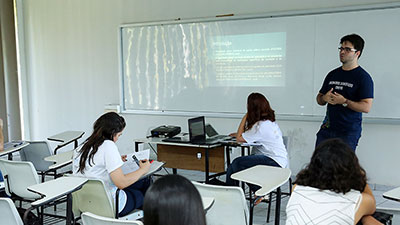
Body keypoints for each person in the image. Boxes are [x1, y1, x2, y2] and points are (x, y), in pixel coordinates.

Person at [286, 138, 382, 225]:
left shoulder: (297, 189)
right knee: (367, 218)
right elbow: (372, 206)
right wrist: (359, 175)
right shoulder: (357, 201)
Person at [72, 112, 151, 217]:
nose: (118, 139)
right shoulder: (108, 145)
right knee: (145, 188)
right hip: (108, 205)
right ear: (112, 133)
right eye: (119, 135)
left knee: (140, 183)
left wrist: (117, 160)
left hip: (85, 204)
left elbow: (96, 167)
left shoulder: (81, 148)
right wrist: (143, 170)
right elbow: (121, 183)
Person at [316, 34, 374, 151]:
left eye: (347, 49)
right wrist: (324, 98)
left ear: (357, 53)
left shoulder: (363, 77)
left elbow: (366, 107)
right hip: (327, 129)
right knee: (319, 165)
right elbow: (319, 99)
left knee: (342, 168)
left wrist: (344, 101)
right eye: (341, 48)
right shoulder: (332, 74)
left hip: (348, 132)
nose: (342, 52)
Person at [226, 92, 288, 189]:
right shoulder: (268, 122)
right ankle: (230, 191)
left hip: (273, 161)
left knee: (237, 163)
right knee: (234, 166)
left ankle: (259, 190)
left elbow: (239, 138)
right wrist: (240, 134)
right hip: (279, 160)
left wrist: (245, 116)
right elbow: (248, 135)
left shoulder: (260, 126)